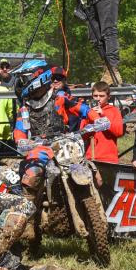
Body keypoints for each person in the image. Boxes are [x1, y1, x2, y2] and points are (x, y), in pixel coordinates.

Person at [13, 66, 97, 202]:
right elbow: (19, 130)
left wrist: (98, 119)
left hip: (63, 143)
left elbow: (83, 108)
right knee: (32, 173)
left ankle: (90, 198)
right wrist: (21, 141)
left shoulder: (59, 97)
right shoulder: (25, 108)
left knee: (82, 167)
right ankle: (28, 211)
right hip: (40, 147)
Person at [80, 80, 124, 163]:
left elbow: (119, 132)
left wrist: (102, 116)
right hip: (91, 157)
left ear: (108, 97)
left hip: (108, 158)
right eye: (95, 96)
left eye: (101, 96)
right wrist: (89, 118)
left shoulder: (114, 111)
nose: (98, 99)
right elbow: (83, 136)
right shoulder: (88, 111)